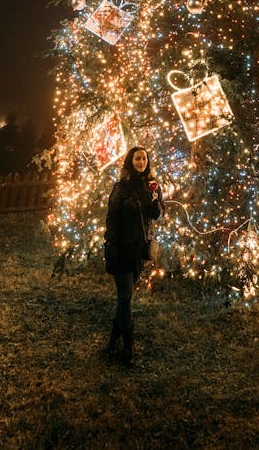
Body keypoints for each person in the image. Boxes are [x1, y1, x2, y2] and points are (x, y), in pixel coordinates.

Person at [104, 146, 164, 366]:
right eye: (137, 158)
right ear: (131, 161)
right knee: (125, 296)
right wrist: (110, 244)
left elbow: (156, 215)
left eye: (144, 158)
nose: (141, 162)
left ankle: (113, 340)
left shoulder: (151, 186)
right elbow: (111, 219)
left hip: (139, 250)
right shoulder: (121, 187)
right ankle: (128, 344)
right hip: (121, 248)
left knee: (125, 298)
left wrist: (156, 197)